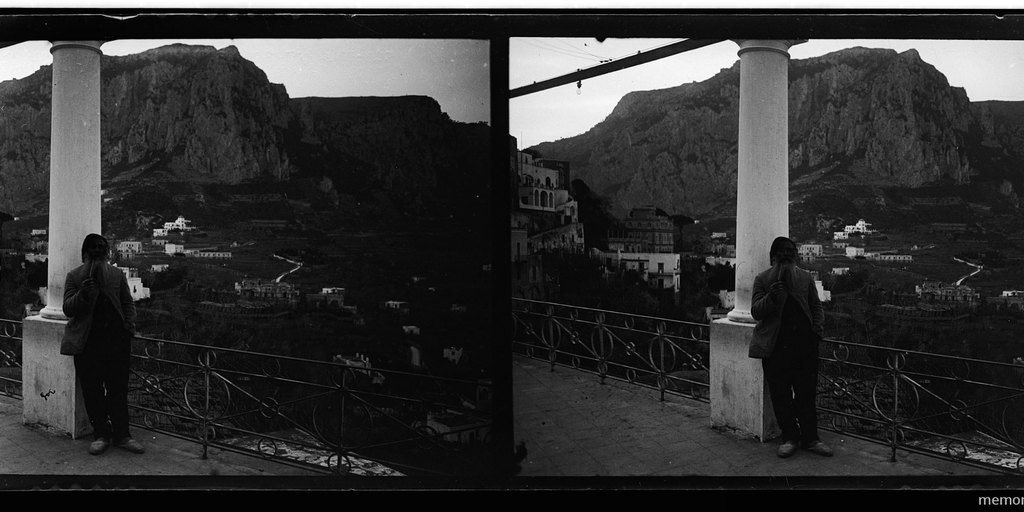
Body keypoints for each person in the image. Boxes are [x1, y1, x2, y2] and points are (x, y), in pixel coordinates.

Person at [60, 233, 144, 455]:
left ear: (107, 254)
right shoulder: (74, 276)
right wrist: (83, 294)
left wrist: (128, 326)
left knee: (118, 389)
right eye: (94, 250)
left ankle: (123, 435)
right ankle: (101, 435)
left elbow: (127, 302)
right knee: (93, 391)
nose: (98, 253)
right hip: (88, 345)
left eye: (102, 249)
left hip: (117, 343)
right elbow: (68, 307)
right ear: (85, 255)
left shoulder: (116, 275)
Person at [750, 236, 832, 459]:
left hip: (804, 346)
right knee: (781, 395)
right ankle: (790, 438)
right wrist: (772, 296)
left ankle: (811, 438)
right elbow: (756, 311)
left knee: (806, 393)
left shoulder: (805, 278)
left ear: (795, 257)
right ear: (773, 258)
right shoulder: (762, 279)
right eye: (782, 253)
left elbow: (816, 307)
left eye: (790, 252)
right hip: (776, 348)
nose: (786, 257)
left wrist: (817, 330)